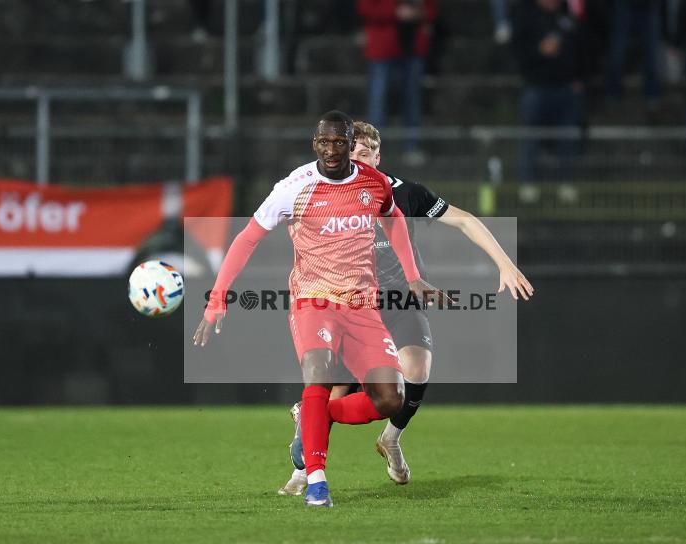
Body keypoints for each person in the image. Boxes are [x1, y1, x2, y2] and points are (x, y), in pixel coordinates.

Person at [194, 111, 445, 508]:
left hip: (362, 306)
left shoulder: (373, 183)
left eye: (339, 143)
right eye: (324, 143)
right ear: (315, 144)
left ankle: (318, 417)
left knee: (390, 399)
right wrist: (217, 298)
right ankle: (317, 483)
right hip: (313, 301)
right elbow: (246, 239)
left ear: (350, 143)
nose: (331, 150)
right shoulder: (293, 187)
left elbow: (394, 220)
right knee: (319, 375)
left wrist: (413, 277)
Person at [278, 121, 535, 496]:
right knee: (330, 395)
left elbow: (463, 219)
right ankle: (304, 469)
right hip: (350, 305)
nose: (357, 160)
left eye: (365, 154)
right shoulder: (323, 193)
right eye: (351, 154)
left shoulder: (404, 192)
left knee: (416, 367)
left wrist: (505, 263)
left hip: (400, 302)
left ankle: (391, 438)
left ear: (378, 158)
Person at [511, 0, 585, 204]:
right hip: (536, 86)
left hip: (566, 87)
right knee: (530, 137)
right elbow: (517, 52)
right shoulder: (526, 17)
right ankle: (528, 184)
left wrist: (579, 77)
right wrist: (539, 51)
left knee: (568, 137)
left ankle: (566, 183)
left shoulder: (567, 17)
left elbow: (581, 47)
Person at [356, 0, 438, 164]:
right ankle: (372, 151)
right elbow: (365, 7)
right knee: (378, 103)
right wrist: (395, 12)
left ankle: (412, 146)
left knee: (412, 101)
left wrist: (418, 13)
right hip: (383, 44)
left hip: (413, 46)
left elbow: (431, 8)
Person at [604, 0, 662, 114]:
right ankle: (613, 92)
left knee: (651, 54)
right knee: (617, 54)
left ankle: (652, 93)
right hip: (623, 6)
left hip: (648, 7)